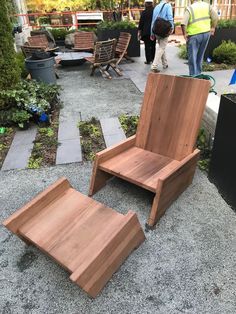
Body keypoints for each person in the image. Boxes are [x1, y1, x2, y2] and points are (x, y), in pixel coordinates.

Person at [181, 0, 218, 76]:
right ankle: (198, 75)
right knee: (200, 56)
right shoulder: (207, 6)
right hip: (206, 34)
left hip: (194, 35)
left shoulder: (190, 8)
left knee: (192, 57)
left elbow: (183, 23)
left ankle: (193, 77)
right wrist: (213, 27)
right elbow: (216, 17)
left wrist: (184, 34)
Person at [150, 0, 174, 73]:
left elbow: (153, 20)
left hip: (157, 30)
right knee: (161, 47)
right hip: (164, 30)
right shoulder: (168, 5)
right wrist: (172, 27)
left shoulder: (156, 6)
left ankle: (165, 63)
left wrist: (151, 32)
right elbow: (170, 17)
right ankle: (154, 66)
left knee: (161, 46)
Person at [138, 0, 156, 65]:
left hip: (145, 32)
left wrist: (139, 31)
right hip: (153, 31)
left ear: (145, 3)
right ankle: (153, 59)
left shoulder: (144, 12)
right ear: (152, 3)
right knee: (153, 45)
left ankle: (148, 60)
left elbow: (141, 23)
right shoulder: (155, 11)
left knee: (147, 46)